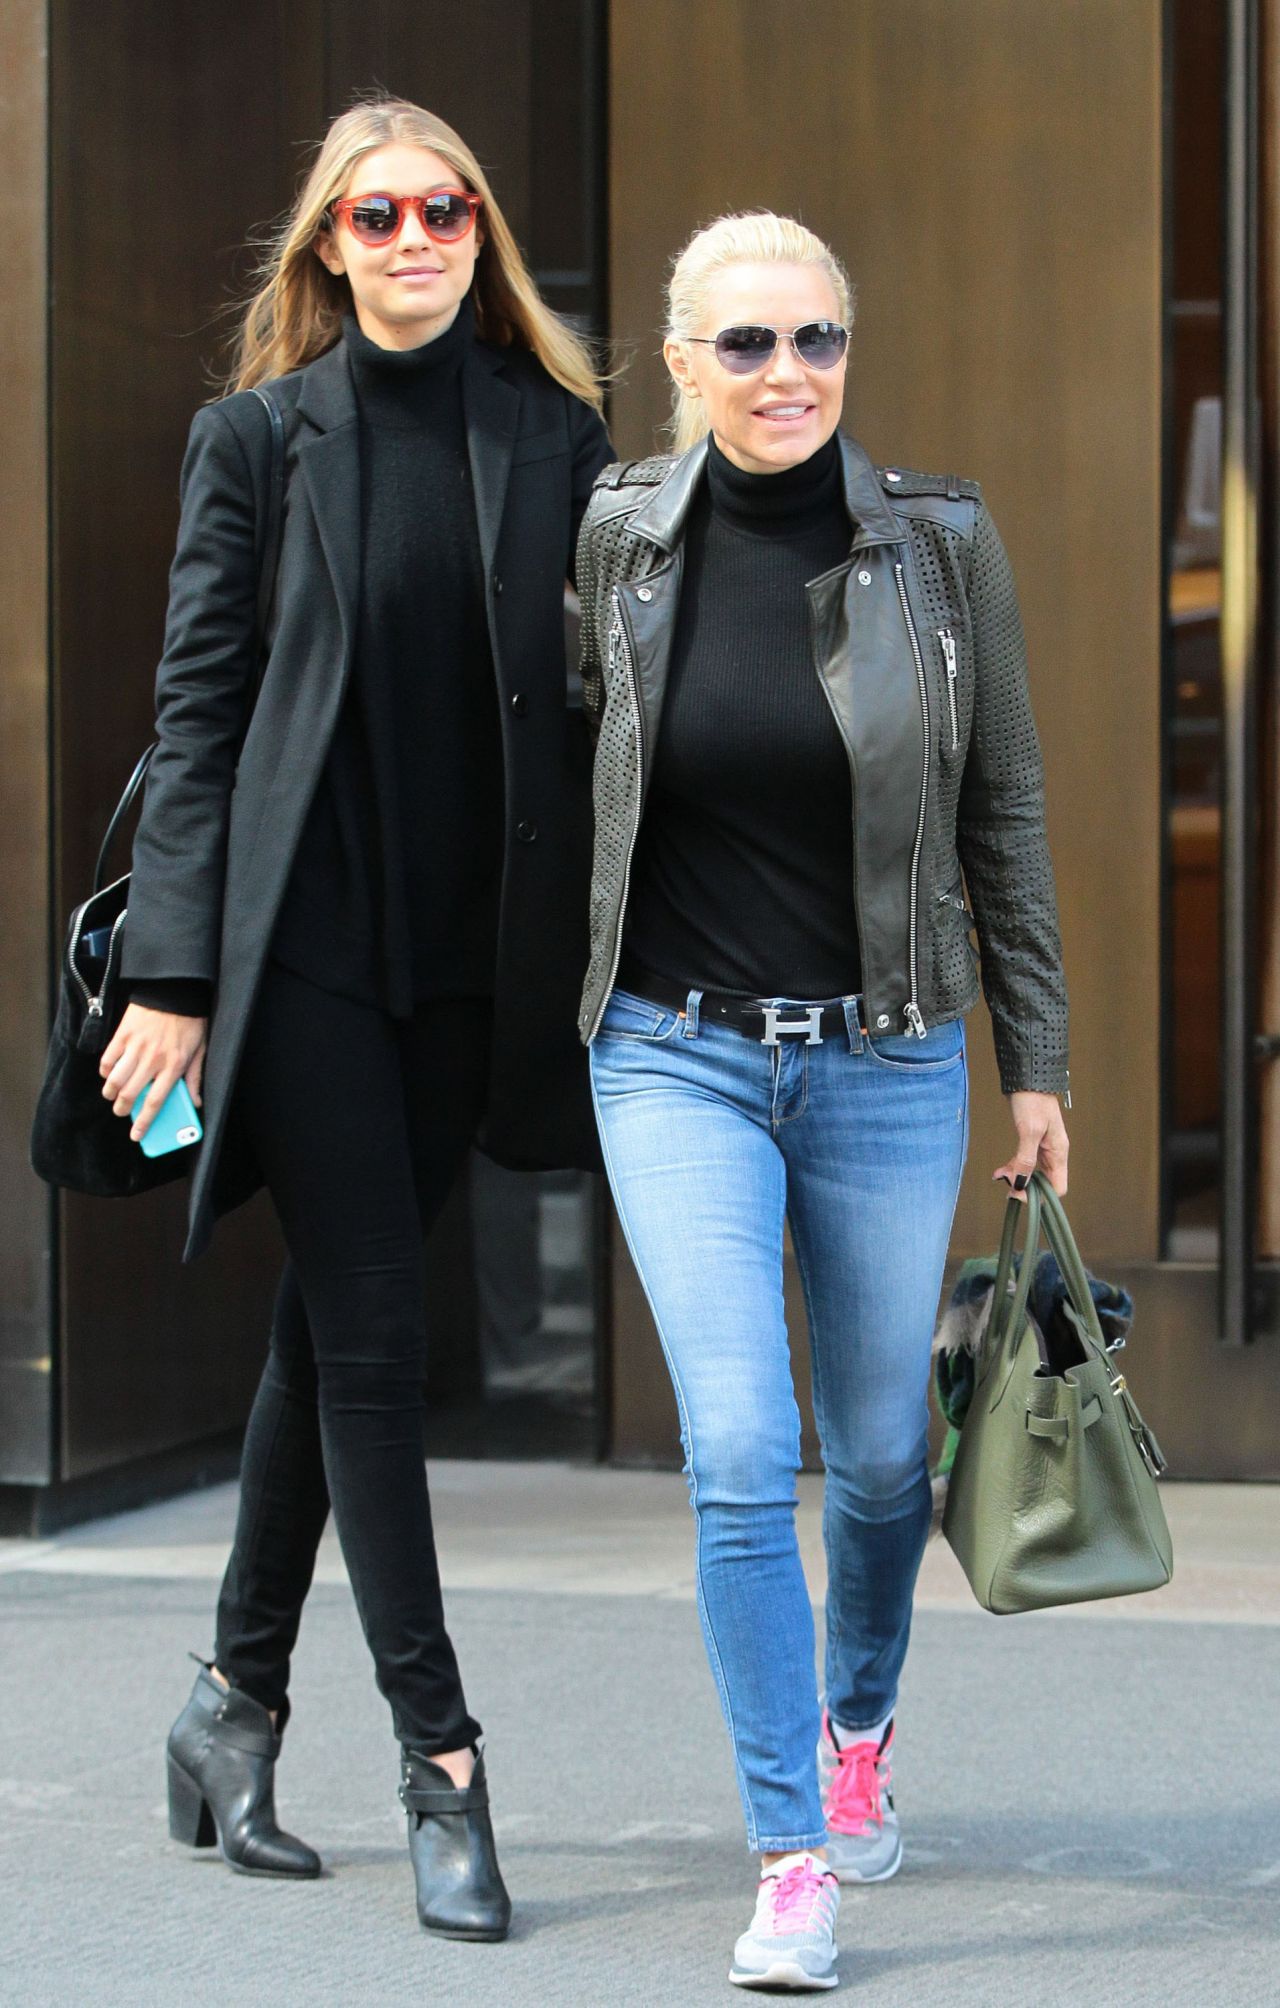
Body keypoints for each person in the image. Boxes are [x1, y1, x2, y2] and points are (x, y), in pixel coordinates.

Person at [101, 95, 611, 1940]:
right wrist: (172, 973)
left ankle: (227, 1708)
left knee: (328, 1342)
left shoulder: (553, 437)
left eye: (446, 207)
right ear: (327, 243)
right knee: (382, 1351)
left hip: (464, 976)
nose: (414, 237)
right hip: (303, 964)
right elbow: (200, 714)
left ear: (480, 230)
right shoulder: (253, 442)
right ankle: (443, 1763)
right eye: (376, 214)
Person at [575, 212, 1069, 1992]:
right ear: (682, 360)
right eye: (748, 344)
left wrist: (1044, 1070)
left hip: (886, 1052)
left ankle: (859, 1727)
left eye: (817, 340)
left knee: (874, 1459)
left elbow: (1001, 811)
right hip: (672, 1050)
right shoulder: (621, 539)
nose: (788, 375)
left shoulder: (942, 545)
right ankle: (793, 1851)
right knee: (736, 1451)